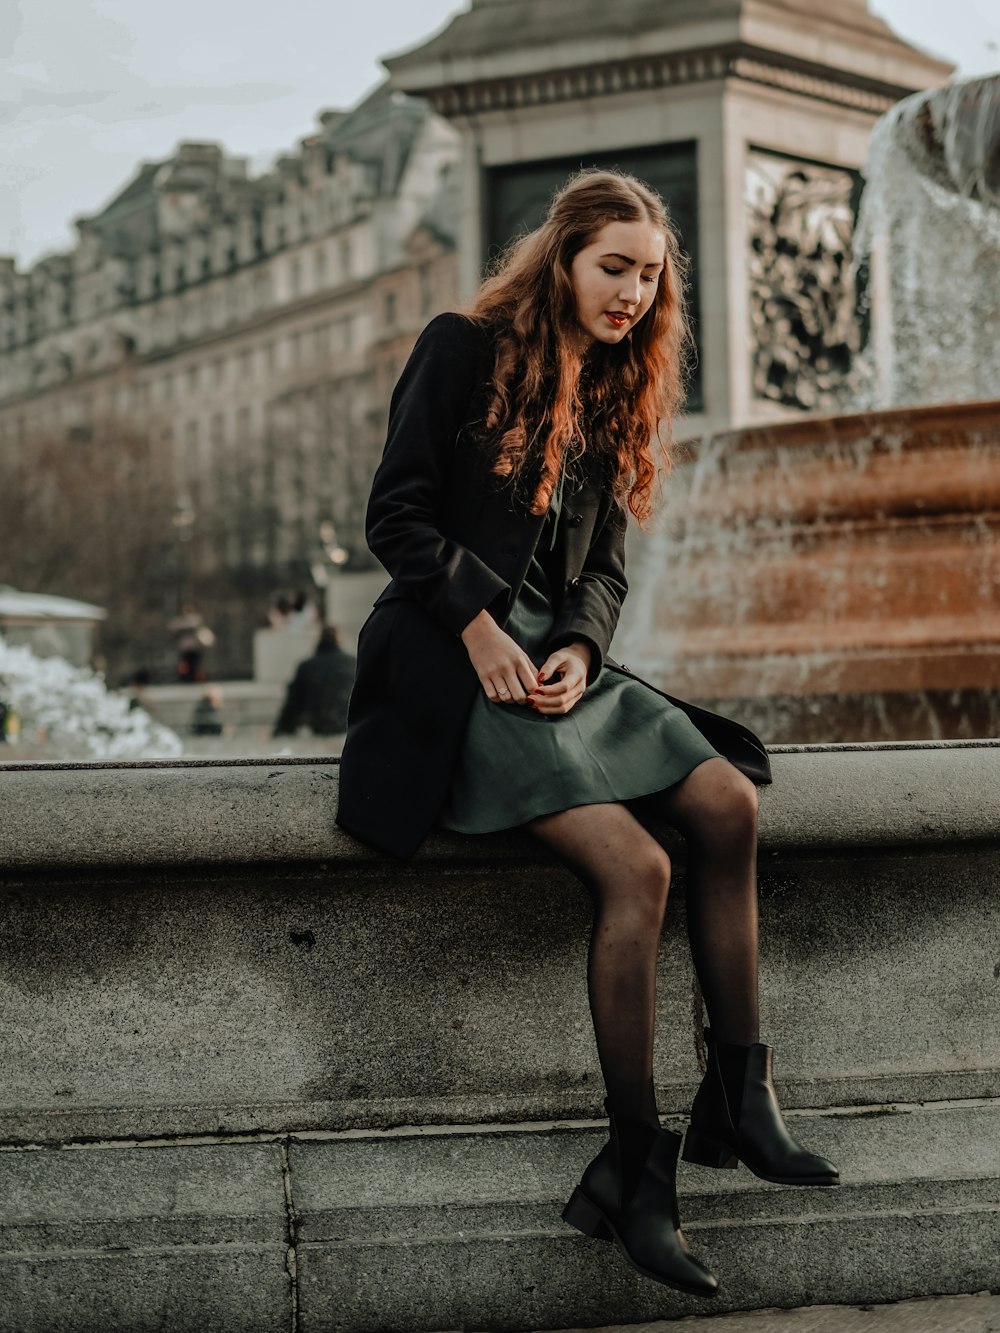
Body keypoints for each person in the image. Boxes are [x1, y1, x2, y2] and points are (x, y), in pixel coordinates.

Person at [336, 169, 837, 1297]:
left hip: (550, 665)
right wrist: (482, 635)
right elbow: (395, 516)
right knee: (638, 866)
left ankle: (742, 1093)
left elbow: (602, 569)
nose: (632, 291)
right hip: (452, 661)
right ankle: (635, 1168)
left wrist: (579, 645)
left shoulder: (618, 380)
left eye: (650, 274)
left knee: (726, 801)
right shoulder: (460, 346)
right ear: (561, 258)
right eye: (614, 265)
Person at [273, 625, 355, 738]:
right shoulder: (352, 664)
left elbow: (293, 704)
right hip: (346, 725)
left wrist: (279, 731)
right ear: (339, 640)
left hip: (318, 727)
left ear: (318, 639)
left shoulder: (306, 666)